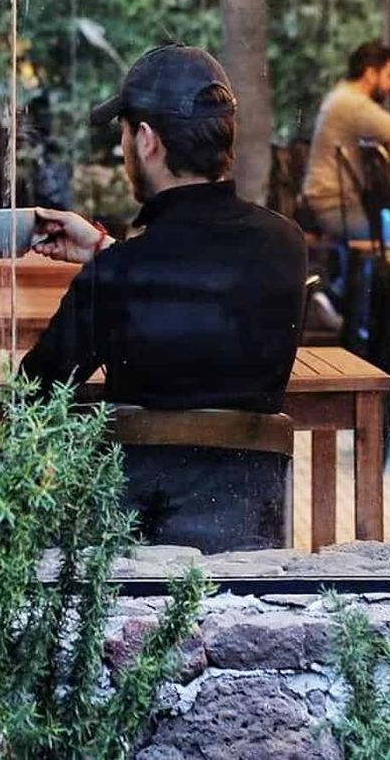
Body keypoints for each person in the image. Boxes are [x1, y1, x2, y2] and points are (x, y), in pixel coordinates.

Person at [20, 44, 306, 551]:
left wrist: (109, 264)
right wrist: (109, 254)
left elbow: (34, 394)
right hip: (252, 543)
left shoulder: (121, 273)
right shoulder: (285, 246)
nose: (123, 147)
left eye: (125, 133)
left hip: (136, 553)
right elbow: (193, 275)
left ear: (147, 140)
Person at [302, 40, 390, 240]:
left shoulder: (340, 97)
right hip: (335, 209)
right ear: (370, 74)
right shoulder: (352, 102)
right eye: (389, 76)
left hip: (327, 205)